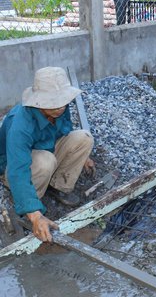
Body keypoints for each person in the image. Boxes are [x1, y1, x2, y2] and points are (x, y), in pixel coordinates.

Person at [0, 67, 95, 243]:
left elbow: (65, 130)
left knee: (84, 138)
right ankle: (29, 203)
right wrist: (36, 216)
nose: (60, 107)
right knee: (45, 161)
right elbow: (17, 170)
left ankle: (58, 185)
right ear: (38, 101)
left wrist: (83, 156)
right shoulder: (19, 123)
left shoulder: (60, 108)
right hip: (13, 168)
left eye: (63, 102)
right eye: (53, 102)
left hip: (46, 151)